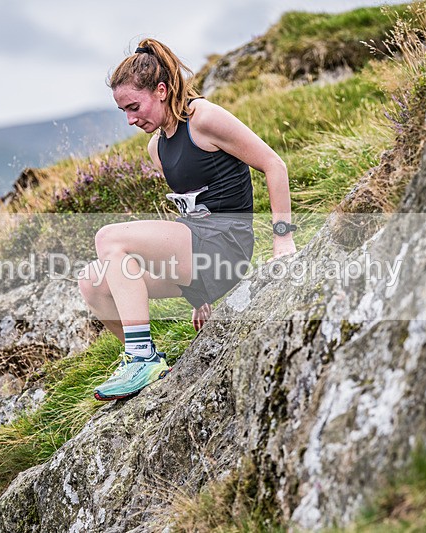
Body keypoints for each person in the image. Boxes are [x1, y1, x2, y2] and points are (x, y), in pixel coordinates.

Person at [78, 38, 297, 401]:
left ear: (161, 90)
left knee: (109, 239)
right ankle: (144, 362)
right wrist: (199, 296)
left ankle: (141, 357)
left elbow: (274, 164)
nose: (131, 119)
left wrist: (283, 238)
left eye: (134, 107)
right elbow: (190, 213)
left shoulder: (204, 118)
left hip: (227, 247)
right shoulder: (157, 147)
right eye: (124, 112)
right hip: (199, 254)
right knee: (92, 282)